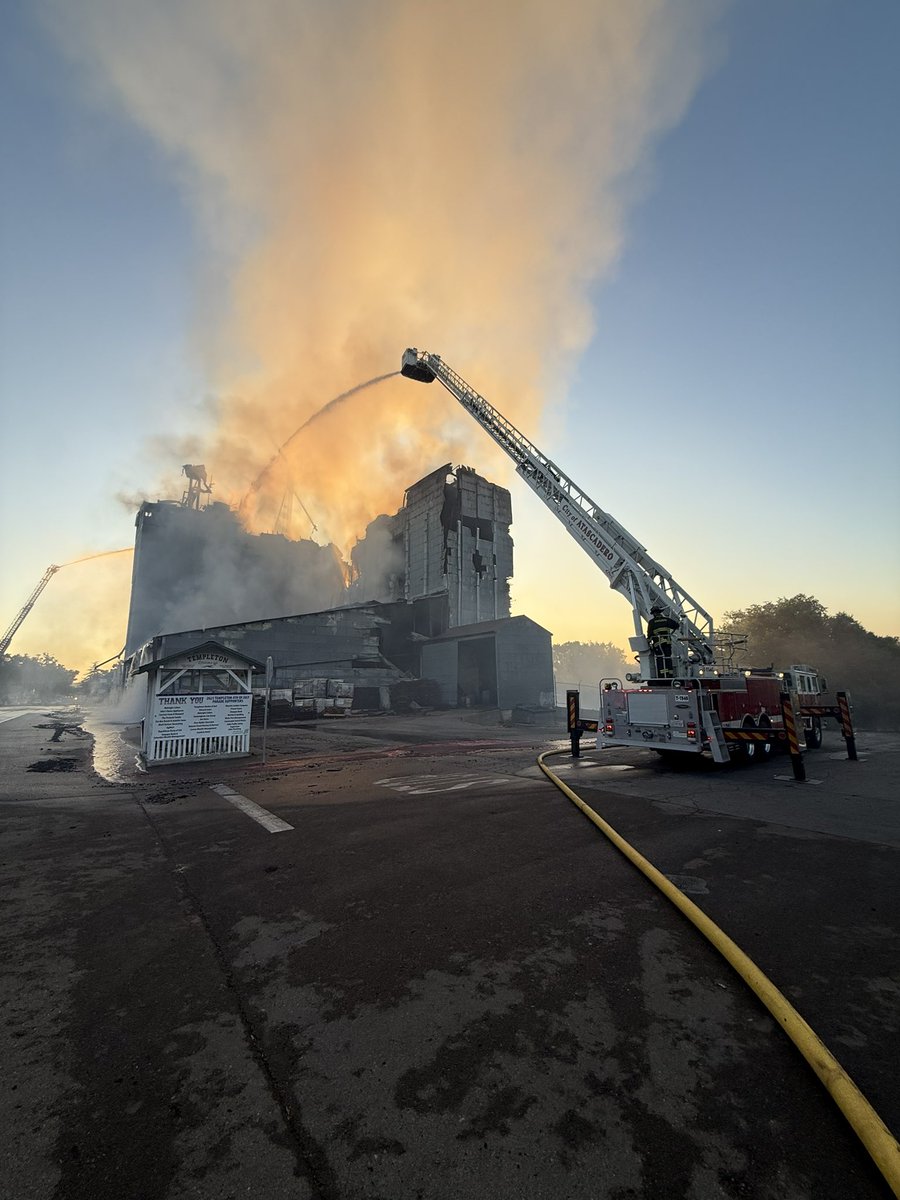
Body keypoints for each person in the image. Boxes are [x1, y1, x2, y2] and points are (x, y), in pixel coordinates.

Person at [647, 604, 679, 678]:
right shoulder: (667, 620)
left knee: (660, 659)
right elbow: (677, 625)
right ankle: (670, 674)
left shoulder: (652, 622)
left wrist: (648, 642)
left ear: (654, 614)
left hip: (658, 645)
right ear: (660, 612)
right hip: (667, 643)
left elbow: (650, 634)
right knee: (668, 658)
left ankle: (661, 675)